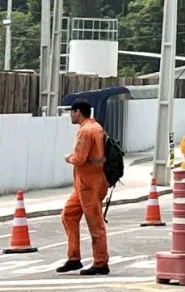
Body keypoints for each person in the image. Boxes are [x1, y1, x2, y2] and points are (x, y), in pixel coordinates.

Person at [56, 100, 110, 275]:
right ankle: (73, 258)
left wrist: (68, 158)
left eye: (71, 112)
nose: (70, 115)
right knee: (69, 215)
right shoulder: (96, 127)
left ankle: (101, 262)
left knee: (95, 223)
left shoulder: (85, 131)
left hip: (89, 184)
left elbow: (79, 159)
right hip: (85, 183)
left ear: (77, 112)